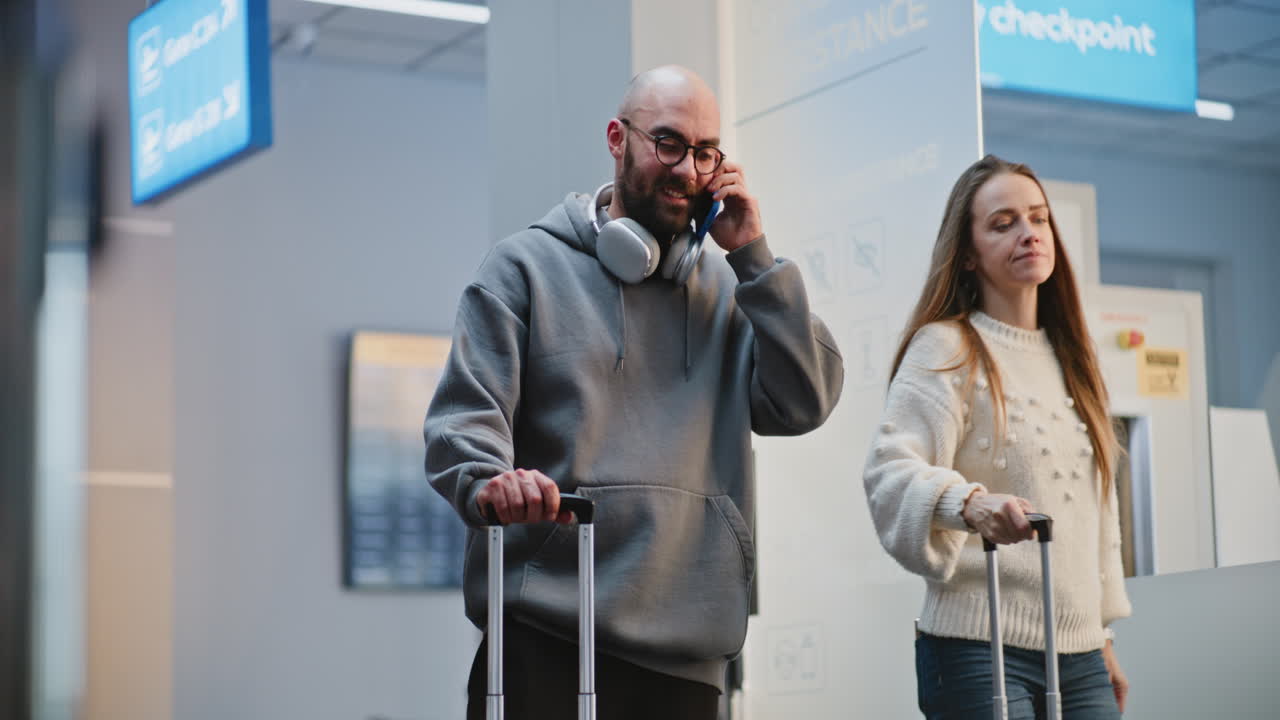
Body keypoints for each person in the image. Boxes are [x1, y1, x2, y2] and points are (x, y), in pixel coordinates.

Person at [424, 65, 843, 720]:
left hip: (690, 655)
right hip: (545, 638)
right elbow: (464, 418)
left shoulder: (734, 290)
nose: (687, 168)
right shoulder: (524, 268)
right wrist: (488, 484)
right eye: (668, 143)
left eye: (705, 153)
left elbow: (804, 401)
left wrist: (754, 256)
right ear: (618, 139)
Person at [862, 155, 1131, 719]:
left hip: (1081, 659)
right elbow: (890, 471)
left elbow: (1094, 512)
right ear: (967, 253)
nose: (1029, 233)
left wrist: (1103, 635)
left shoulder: (1075, 360)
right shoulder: (947, 346)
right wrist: (972, 505)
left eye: (1038, 218)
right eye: (1003, 223)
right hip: (975, 649)